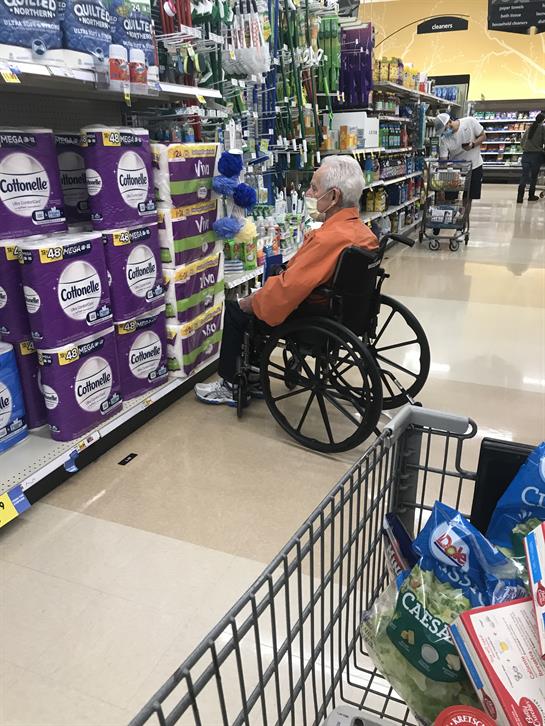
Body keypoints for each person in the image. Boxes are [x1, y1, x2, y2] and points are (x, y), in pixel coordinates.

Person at [195, 155, 379, 406]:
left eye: (314, 188)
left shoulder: (328, 239)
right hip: (345, 312)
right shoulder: (363, 234)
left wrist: (254, 300)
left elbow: (290, 288)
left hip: (312, 315)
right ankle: (254, 376)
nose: (309, 192)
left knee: (237, 310)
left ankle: (231, 384)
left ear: (334, 196)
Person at [434, 112, 486, 216]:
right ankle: (449, 217)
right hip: (455, 170)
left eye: (445, 129)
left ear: (449, 122)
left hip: (474, 166)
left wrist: (473, 145)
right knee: (449, 196)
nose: (445, 132)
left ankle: (463, 220)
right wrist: (441, 174)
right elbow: (443, 160)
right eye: (443, 132)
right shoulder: (444, 140)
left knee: (468, 197)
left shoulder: (470, 122)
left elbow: (483, 136)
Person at [517, 112, 545, 203]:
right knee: (534, 177)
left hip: (525, 155)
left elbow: (522, 142)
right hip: (536, 156)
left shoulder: (529, 128)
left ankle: (520, 197)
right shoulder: (542, 128)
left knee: (524, 176)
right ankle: (531, 195)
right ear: (543, 120)